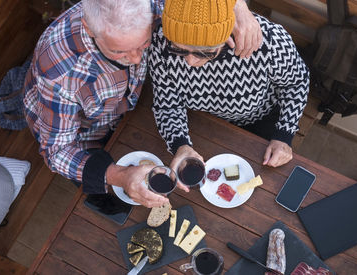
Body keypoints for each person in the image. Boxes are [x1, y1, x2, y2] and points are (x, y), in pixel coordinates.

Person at [23, 0, 263, 208]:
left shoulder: (155, 4)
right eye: (120, 52)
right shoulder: (58, 72)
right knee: (105, 196)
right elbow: (57, 153)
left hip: (133, 106)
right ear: (89, 28)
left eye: (144, 44)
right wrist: (119, 175)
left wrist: (237, 8)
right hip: (84, 135)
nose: (136, 59)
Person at [148, 0, 310, 192]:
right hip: (202, 122)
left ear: (227, 38)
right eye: (179, 50)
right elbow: (168, 105)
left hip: (261, 121)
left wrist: (284, 134)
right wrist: (180, 145)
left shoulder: (268, 41)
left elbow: (296, 82)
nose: (190, 62)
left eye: (204, 52)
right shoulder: (160, 44)